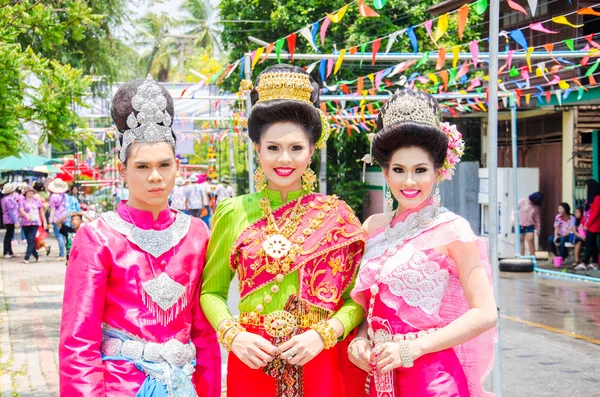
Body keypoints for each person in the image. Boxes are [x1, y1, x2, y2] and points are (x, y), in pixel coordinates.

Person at [200, 65, 366, 397]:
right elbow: (211, 293)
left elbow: (357, 300)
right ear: (258, 149)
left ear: (311, 150)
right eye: (273, 148)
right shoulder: (233, 212)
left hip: (318, 356)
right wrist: (234, 335)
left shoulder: (337, 215)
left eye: (296, 148)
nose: (284, 159)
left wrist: (323, 334)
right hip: (252, 358)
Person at [59, 75, 221, 396]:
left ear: (178, 166)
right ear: (123, 170)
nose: (155, 177)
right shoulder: (97, 237)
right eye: (142, 167)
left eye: (164, 164)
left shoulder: (197, 233)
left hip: (183, 386)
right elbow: (79, 341)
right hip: (118, 386)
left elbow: (204, 335)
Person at [349, 90, 497, 397]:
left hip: (431, 378)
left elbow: (485, 313)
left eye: (420, 170)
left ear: (438, 172)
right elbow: (368, 305)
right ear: (386, 173)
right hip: (375, 374)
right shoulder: (372, 228)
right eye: (399, 170)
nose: (409, 182)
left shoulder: (452, 229)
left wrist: (413, 349)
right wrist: (360, 338)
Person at [18, 185, 47, 264]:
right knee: (29, 240)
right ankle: (36, 256)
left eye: (32, 191)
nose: (31, 193)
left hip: (35, 222)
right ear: (25, 192)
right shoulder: (22, 200)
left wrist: (44, 221)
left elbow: (41, 211)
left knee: (31, 239)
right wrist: (26, 215)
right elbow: (21, 209)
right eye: (29, 191)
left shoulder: (37, 200)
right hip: (25, 223)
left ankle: (26, 257)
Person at [578, 179, 600, 270]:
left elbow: (595, 213)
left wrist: (588, 224)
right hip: (587, 225)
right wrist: (582, 223)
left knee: (588, 243)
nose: (585, 188)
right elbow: (585, 213)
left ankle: (584, 262)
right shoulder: (588, 200)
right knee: (593, 244)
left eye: (586, 186)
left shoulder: (598, 198)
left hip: (594, 225)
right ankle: (595, 263)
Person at [48, 178, 68, 261]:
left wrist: (50, 219)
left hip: (56, 217)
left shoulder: (53, 196)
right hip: (64, 216)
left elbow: (52, 209)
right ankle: (63, 253)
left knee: (59, 236)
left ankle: (62, 254)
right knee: (63, 236)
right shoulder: (63, 195)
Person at [517, 192, 543, 256]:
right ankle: (521, 256)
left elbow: (537, 218)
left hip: (530, 225)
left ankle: (532, 256)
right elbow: (514, 211)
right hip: (520, 224)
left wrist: (538, 228)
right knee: (521, 241)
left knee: (531, 240)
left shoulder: (536, 206)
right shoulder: (521, 201)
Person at [2, 183, 20, 259]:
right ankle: (6, 252)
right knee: (8, 236)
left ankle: (10, 251)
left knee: (9, 235)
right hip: (10, 220)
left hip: (8, 219)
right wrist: (15, 221)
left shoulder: (5, 198)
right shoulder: (9, 199)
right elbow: (11, 212)